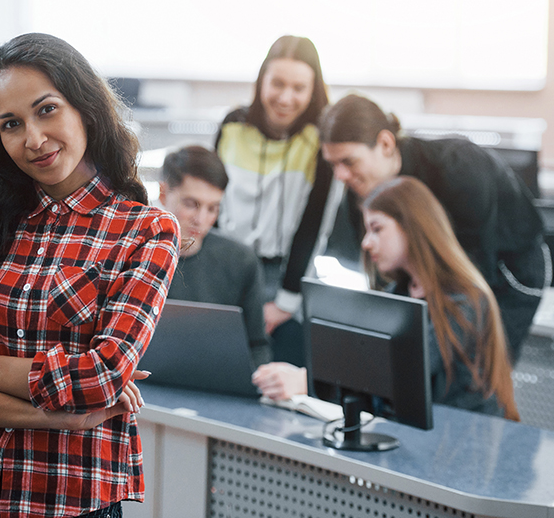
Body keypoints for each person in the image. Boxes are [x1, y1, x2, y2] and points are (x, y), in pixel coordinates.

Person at [0, 33, 180, 518]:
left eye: (47, 110)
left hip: (69, 500)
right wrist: (57, 417)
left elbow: (103, 377)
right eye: (11, 124)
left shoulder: (144, 230)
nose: (33, 139)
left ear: (84, 106)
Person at [255, 176, 520, 421]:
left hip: (462, 443)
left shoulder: (464, 299)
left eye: (377, 229)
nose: (366, 243)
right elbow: (373, 369)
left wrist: (309, 381)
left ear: (412, 227)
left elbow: (401, 371)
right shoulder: (400, 294)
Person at [319, 93, 550, 363]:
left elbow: (472, 279)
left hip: (505, 267)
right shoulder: (360, 188)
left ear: (385, 143)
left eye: (348, 161)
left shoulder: (457, 168)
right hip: (431, 274)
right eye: (333, 164)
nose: (340, 175)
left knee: (479, 370)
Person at [215, 35, 333, 367]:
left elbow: (314, 224)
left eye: (299, 87)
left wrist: (286, 301)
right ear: (261, 81)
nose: (285, 97)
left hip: (282, 275)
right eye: (277, 83)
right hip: (227, 266)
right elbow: (212, 202)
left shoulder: (319, 141)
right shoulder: (233, 125)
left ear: (313, 91)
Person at [158, 145, 271, 367]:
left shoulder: (241, 262)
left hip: (217, 386)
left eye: (213, 209)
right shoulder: (131, 254)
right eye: (191, 204)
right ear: (163, 194)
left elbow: (257, 346)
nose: (201, 219)